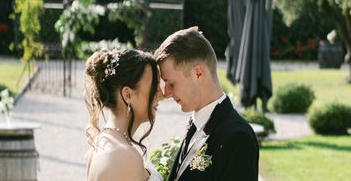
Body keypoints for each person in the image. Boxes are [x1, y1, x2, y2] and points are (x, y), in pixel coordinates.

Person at [155, 26, 259, 181]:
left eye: (171, 84)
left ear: (198, 73)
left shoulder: (237, 137)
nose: (167, 94)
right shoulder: (196, 124)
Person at [85, 48, 163, 181]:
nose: (161, 94)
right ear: (127, 95)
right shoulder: (125, 156)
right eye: (153, 86)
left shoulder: (102, 142)